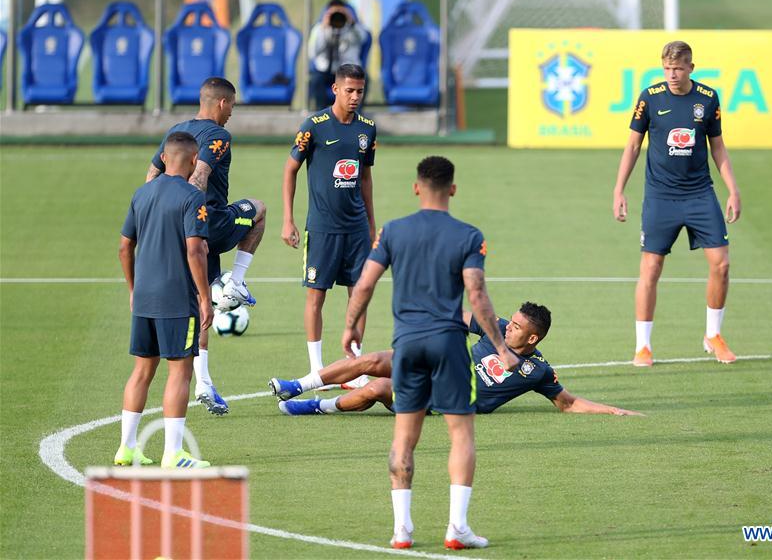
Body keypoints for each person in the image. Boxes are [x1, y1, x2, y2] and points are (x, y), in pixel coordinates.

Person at [340, 156, 517, 550]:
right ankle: (457, 527)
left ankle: (402, 530)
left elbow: (365, 283)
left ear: (416, 187)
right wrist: (501, 347)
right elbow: (477, 294)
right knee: (461, 434)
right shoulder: (469, 236)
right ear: (452, 189)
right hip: (448, 343)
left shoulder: (393, 231)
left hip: (406, 344)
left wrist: (352, 323)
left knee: (404, 438)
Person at [270, 302, 644, 418]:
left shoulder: (536, 370)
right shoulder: (494, 329)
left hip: (444, 400)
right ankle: (298, 384)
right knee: (375, 359)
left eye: (515, 327)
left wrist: (613, 410)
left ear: (532, 338)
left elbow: (568, 402)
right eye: (509, 322)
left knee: (378, 388)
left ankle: (316, 407)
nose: (507, 328)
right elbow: (460, 315)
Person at [612, 41, 742, 368]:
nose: (672, 74)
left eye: (678, 68)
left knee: (722, 264)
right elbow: (632, 146)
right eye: (667, 68)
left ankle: (713, 335)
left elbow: (718, 147)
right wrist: (619, 190)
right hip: (660, 197)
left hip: (700, 194)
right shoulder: (650, 98)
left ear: (691, 69)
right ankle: (643, 346)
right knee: (651, 269)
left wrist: (733, 190)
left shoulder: (708, 99)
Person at [146, 77, 267, 416]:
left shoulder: (177, 131)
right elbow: (199, 178)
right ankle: (237, 281)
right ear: (222, 104)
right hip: (206, 223)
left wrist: (159, 217)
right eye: (232, 106)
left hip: (177, 230)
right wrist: (192, 219)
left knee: (200, 303)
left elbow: (150, 178)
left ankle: (204, 384)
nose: (232, 114)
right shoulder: (218, 135)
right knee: (258, 210)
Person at [116, 132, 213, 469]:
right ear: (191, 159)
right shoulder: (192, 196)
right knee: (180, 372)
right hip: (176, 298)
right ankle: (173, 453)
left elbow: (124, 247)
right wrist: (205, 297)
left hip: (144, 296)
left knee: (142, 371)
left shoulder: (142, 193)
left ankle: (126, 448)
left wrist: (132, 289)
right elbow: (194, 250)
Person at [282, 64, 375, 385]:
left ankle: (353, 367)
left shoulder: (367, 129)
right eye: (349, 90)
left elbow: (365, 177)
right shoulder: (315, 126)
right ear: (335, 89)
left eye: (360, 91)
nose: (355, 97)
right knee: (315, 297)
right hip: (322, 228)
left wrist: (372, 225)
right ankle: (316, 368)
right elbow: (290, 169)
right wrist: (288, 219)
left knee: (359, 295)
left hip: (357, 229)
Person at [307, 0, 370, 110]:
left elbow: (364, 38)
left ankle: (355, 116)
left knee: (362, 78)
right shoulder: (318, 29)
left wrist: (351, 22)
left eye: (340, 12)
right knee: (316, 79)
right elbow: (312, 52)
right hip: (325, 71)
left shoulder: (354, 28)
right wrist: (324, 28)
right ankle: (321, 116)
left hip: (348, 72)